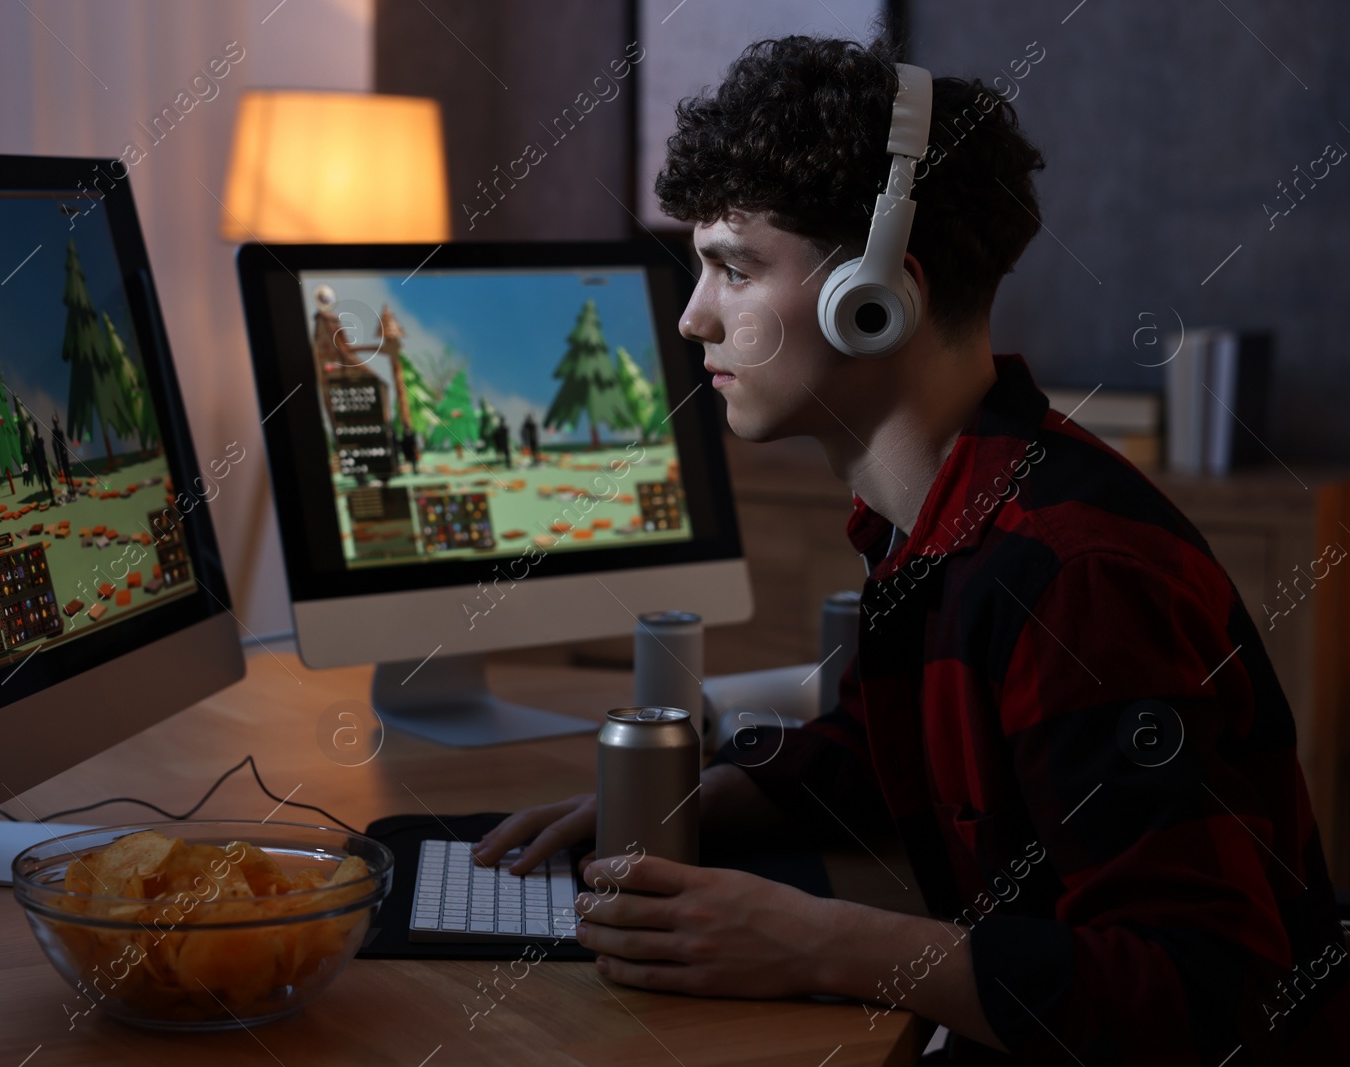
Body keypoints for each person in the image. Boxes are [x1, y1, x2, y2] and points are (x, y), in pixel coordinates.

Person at [471, 35, 1348, 1064]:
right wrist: (690, 807)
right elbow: (898, 753)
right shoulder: (944, 514)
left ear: (878, 297)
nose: (693, 313)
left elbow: (1201, 999)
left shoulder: (1072, 578)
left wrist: (821, 941)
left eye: (734, 267)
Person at [50, 413, 71, 497]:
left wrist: (65, 450)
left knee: (67, 468)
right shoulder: (54, 431)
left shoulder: (60, 430)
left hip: (62, 450)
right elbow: (55, 442)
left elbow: (64, 441)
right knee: (63, 468)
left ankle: (70, 485)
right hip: (59, 449)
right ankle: (69, 486)